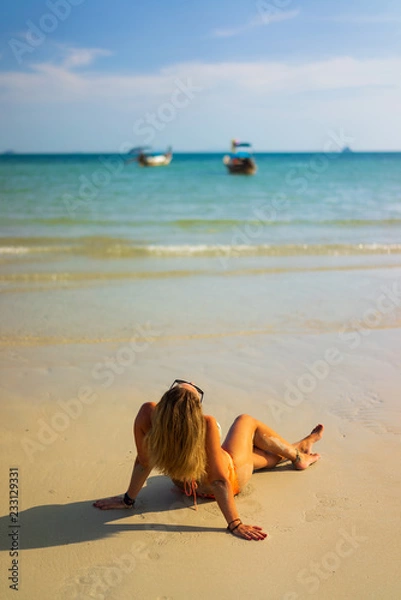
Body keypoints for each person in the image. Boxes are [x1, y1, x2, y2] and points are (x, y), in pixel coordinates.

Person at [93, 379, 323, 541]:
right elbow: (220, 481)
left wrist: (128, 499)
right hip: (230, 480)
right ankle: (298, 456)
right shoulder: (205, 424)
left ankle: (299, 448)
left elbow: (144, 462)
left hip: (183, 484)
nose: (190, 381)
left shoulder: (148, 414)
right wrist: (235, 524)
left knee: (258, 455)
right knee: (246, 422)